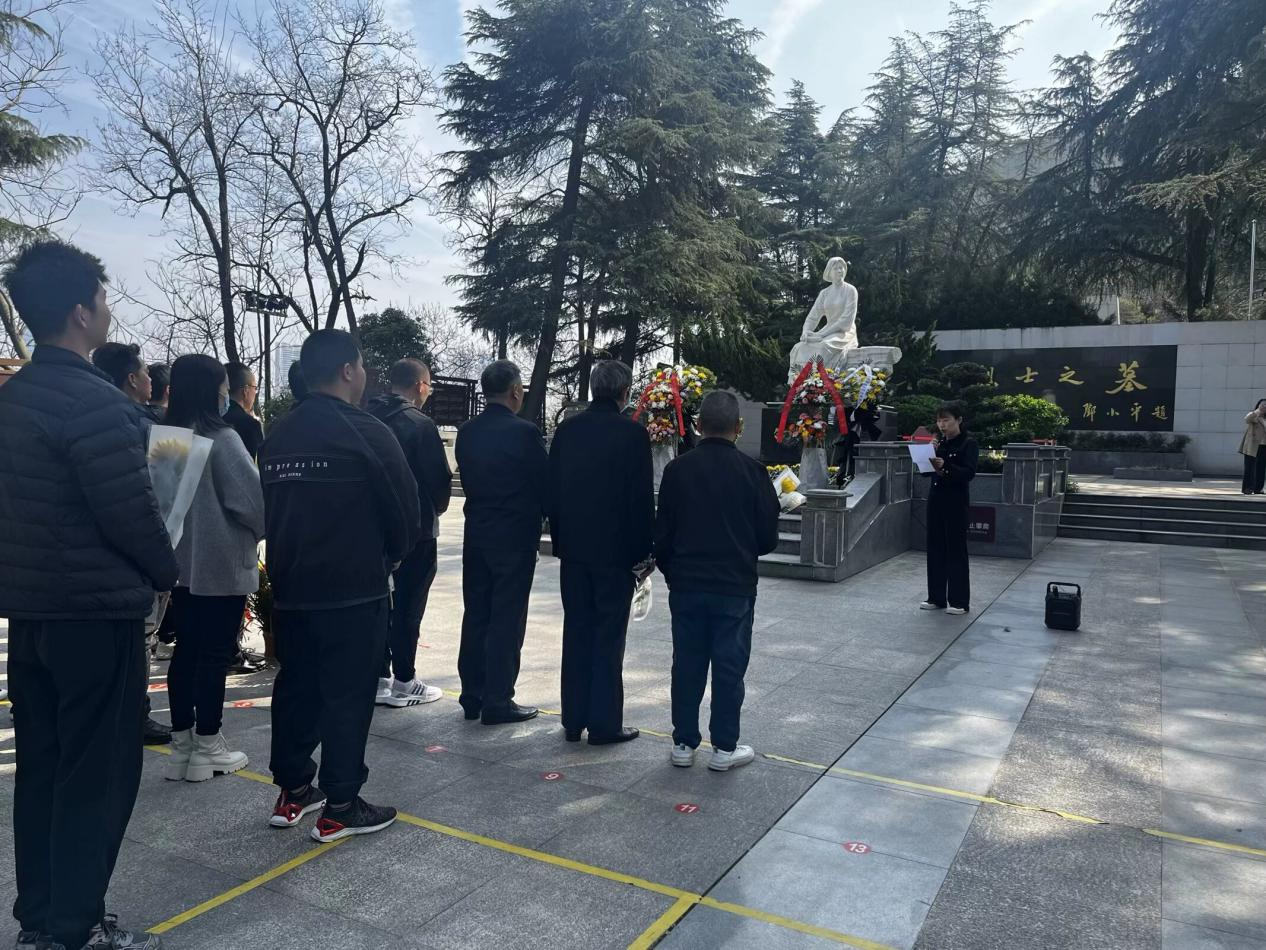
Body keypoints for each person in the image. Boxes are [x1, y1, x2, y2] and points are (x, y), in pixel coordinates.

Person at [0, 240, 179, 950]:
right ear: (80, 312)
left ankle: (41, 917)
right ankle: (76, 927)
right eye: (103, 300)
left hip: (32, 612)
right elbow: (132, 513)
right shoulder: (95, 403)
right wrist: (166, 571)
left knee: (43, 768)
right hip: (96, 615)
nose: (108, 311)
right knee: (95, 775)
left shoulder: (12, 400)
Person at [260, 329, 420, 842]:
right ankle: (342, 804)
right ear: (349, 370)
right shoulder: (366, 431)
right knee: (348, 695)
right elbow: (406, 512)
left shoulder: (279, 435)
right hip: (353, 589)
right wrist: (389, 557)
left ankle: (293, 790)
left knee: (296, 688)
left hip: (291, 588)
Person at [654, 391, 780, 772]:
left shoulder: (677, 471)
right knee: (729, 666)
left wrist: (673, 573)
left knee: (686, 663)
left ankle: (683, 742)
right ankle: (724, 747)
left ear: (697, 425)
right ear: (738, 427)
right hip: (734, 586)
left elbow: (663, 535)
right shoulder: (754, 472)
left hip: (688, 585)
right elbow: (767, 539)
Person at [161, 355, 265, 784]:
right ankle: (209, 745)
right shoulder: (223, 438)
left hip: (177, 565)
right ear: (213, 390)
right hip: (220, 564)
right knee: (214, 654)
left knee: (185, 650)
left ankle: (183, 746)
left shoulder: (167, 437)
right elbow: (253, 504)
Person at [548, 360, 653, 744]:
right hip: (615, 554)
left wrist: (561, 540)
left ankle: (573, 719)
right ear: (625, 392)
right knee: (609, 637)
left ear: (594, 389)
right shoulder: (633, 434)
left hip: (574, 551)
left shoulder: (568, 430)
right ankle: (605, 724)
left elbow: (552, 491)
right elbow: (640, 500)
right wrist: (643, 554)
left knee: (577, 631)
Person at [454, 360, 548, 725]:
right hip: (514, 535)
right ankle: (498, 698)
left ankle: (472, 694)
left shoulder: (467, 431)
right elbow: (543, 482)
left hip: (477, 531)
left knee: (476, 612)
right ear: (515, 392)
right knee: (507, 616)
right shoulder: (524, 433)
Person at [92, 342, 171, 745]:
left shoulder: (89, 417)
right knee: (142, 637)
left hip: (93, 558)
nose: (148, 379)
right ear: (130, 379)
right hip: (138, 554)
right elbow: (163, 498)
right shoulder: (141, 426)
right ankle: (135, 714)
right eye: (143, 373)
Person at [367, 358, 453, 708]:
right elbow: (438, 481)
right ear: (420, 385)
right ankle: (404, 679)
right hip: (416, 530)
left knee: (377, 603)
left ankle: (378, 675)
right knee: (409, 604)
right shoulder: (420, 424)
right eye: (429, 386)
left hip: (372, 528)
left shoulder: (366, 416)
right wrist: (437, 508)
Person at [920, 402, 979, 616]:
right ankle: (936, 597)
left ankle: (959, 601)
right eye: (939, 421)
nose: (942, 425)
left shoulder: (968, 443)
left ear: (959, 420)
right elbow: (926, 473)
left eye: (946, 420)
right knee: (935, 547)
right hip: (936, 499)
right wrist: (928, 455)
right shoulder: (940, 443)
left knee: (955, 549)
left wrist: (945, 466)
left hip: (955, 501)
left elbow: (968, 473)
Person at [91, 341, 152, 410]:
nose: (150, 379)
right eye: (146, 373)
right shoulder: (136, 416)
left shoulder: (93, 410)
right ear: (132, 379)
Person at [223, 361, 263, 460]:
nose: (255, 392)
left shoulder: (211, 418)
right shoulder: (250, 424)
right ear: (245, 390)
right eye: (255, 388)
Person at [1239, 399, 1266, 495]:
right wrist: (1258, 411)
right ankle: (1247, 488)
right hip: (1252, 445)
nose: (1264, 407)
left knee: (1261, 468)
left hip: (1264, 446)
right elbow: (1247, 419)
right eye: (1263, 405)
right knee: (1250, 468)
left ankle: (1258, 488)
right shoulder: (1254, 415)